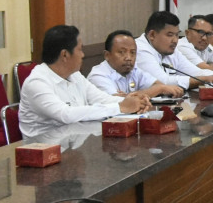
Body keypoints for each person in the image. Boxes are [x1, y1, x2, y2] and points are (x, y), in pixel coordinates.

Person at [18, 25, 148, 137]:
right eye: (80, 49)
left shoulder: (75, 75)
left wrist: (134, 102)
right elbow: (66, 115)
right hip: (42, 151)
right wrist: (121, 107)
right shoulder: (37, 83)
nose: (83, 55)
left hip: (73, 142)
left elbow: (101, 98)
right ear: (64, 55)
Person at [89, 30, 187, 99]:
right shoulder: (98, 75)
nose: (128, 58)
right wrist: (158, 89)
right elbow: (119, 102)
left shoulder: (134, 70)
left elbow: (159, 85)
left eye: (133, 52)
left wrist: (130, 95)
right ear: (107, 55)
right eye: (122, 52)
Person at [136, 10, 213, 89]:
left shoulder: (171, 50)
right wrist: (203, 80)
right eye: (170, 35)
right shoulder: (140, 50)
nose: (175, 40)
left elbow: (196, 72)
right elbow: (162, 82)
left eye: (177, 35)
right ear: (152, 35)